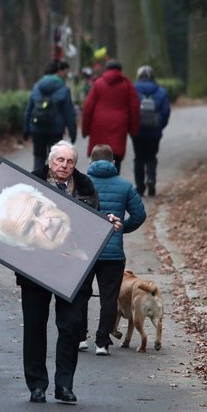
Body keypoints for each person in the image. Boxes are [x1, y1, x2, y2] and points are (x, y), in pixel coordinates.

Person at [4, 141, 121, 404]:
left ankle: (64, 385)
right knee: (34, 327)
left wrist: (107, 221)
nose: (64, 166)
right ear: (50, 161)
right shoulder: (30, 183)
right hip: (35, 269)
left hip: (72, 270)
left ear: (75, 165)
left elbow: (90, 222)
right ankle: (36, 385)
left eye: (69, 162)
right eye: (59, 161)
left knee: (69, 328)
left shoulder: (86, 186)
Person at [83, 144, 146, 355]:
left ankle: (80, 337)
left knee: (80, 294)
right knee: (109, 297)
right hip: (113, 254)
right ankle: (102, 342)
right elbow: (139, 215)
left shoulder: (81, 183)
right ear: (113, 162)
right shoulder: (125, 185)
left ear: (91, 162)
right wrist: (119, 231)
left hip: (84, 251)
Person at [81, 59, 140, 171]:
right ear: (120, 70)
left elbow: (88, 107)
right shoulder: (127, 85)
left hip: (99, 124)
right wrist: (134, 130)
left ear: (107, 69)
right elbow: (134, 108)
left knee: (98, 155)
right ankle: (114, 183)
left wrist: (85, 130)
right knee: (115, 155)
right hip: (119, 125)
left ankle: (96, 184)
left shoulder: (98, 83)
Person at [23, 59, 77, 171]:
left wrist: (26, 128)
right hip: (55, 130)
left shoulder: (37, 86)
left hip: (37, 127)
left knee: (38, 157)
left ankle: (36, 183)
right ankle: (52, 187)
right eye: (64, 71)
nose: (66, 74)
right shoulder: (64, 89)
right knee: (56, 160)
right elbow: (69, 113)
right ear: (59, 72)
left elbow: (29, 108)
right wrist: (72, 132)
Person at [132, 65, 171, 197]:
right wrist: (160, 126)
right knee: (151, 156)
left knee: (139, 158)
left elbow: (129, 110)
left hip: (137, 131)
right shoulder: (161, 92)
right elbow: (166, 113)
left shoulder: (133, 90)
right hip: (154, 131)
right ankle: (151, 179)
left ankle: (140, 186)